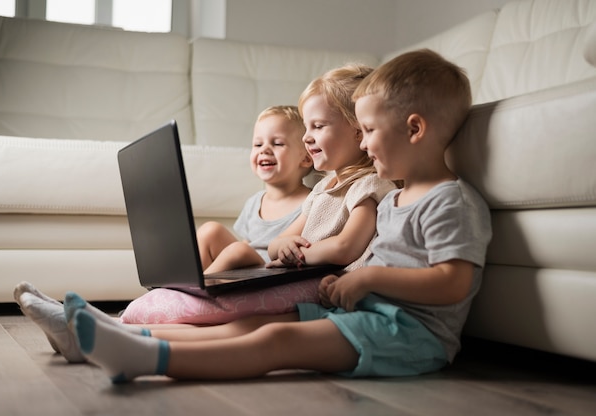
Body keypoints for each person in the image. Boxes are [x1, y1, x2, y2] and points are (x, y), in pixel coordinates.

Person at [51, 49, 492, 382]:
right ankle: (113, 338)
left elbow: (452, 281)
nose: (365, 142)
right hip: (365, 313)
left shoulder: (450, 200)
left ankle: (143, 359)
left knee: (274, 341)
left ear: (415, 129)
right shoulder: (398, 197)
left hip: (412, 335)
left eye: (371, 132)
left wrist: (367, 279)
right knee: (251, 324)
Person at [15, 62, 397, 365]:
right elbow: (286, 238)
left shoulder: (366, 186)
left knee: (245, 324)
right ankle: (89, 327)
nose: (309, 136)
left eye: (317, 126)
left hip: (320, 283)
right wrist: (286, 244)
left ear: (358, 133)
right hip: (294, 274)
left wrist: (300, 253)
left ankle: (100, 328)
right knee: (237, 306)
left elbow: (347, 247)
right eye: (307, 128)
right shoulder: (322, 190)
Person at [197, 105, 313, 274]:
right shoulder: (254, 202)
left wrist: (237, 252)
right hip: (249, 272)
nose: (264, 149)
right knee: (210, 230)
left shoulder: (311, 202)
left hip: (272, 273)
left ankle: (193, 290)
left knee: (239, 250)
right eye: (258, 144)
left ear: (306, 158)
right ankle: (193, 283)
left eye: (277, 143)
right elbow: (246, 245)